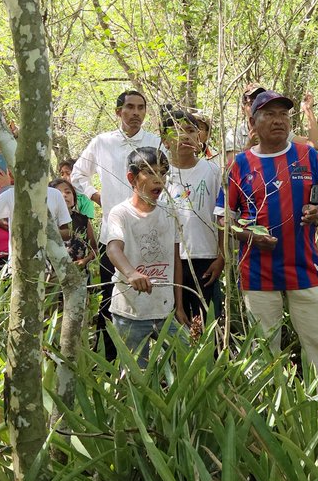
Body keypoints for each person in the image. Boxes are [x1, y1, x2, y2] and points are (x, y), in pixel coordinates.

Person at [216, 90, 318, 390]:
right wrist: (249, 235)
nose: (278, 121)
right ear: (253, 123)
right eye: (269, 114)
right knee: (262, 352)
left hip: (306, 269)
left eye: (283, 114)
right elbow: (223, 217)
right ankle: (266, 415)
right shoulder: (240, 165)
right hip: (258, 273)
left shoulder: (307, 156)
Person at [71, 90, 164, 357]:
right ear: (118, 111)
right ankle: (109, 358)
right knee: (111, 296)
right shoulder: (102, 142)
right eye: (130, 107)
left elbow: (171, 181)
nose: (136, 113)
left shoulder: (155, 142)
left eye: (141, 108)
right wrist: (98, 197)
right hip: (112, 233)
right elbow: (78, 175)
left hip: (150, 230)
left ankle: (154, 357)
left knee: (151, 289)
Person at [104, 147, 185, 365]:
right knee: (135, 376)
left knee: (185, 365)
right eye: (149, 173)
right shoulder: (120, 213)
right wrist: (131, 273)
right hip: (130, 312)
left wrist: (179, 307)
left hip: (166, 310)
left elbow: (175, 260)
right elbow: (113, 248)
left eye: (163, 173)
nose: (158, 180)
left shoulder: (170, 213)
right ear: (132, 177)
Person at [161, 106, 225, 323]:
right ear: (165, 140)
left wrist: (222, 255)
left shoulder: (212, 170)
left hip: (205, 257)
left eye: (190, 130)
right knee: (177, 322)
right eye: (177, 131)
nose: (185, 136)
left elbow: (222, 214)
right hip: (170, 259)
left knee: (209, 322)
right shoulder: (160, 175)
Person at [225, 84, 318, 156]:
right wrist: (250, 147)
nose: (256, 107)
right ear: (243, 109)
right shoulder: (234, 135)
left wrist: (307, 109)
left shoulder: (277, 131)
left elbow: (314, 144)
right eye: (252, 103)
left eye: (262, 104)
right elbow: (232, 171)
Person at [52, 178, 97, 268]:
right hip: (51, 277)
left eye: (68, 192)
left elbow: (94, 249)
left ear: (74, 197)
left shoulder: (83, 220)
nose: (64, 195)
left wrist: (85, 260)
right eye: (58, 193)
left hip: (80, 275)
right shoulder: (46, 222)